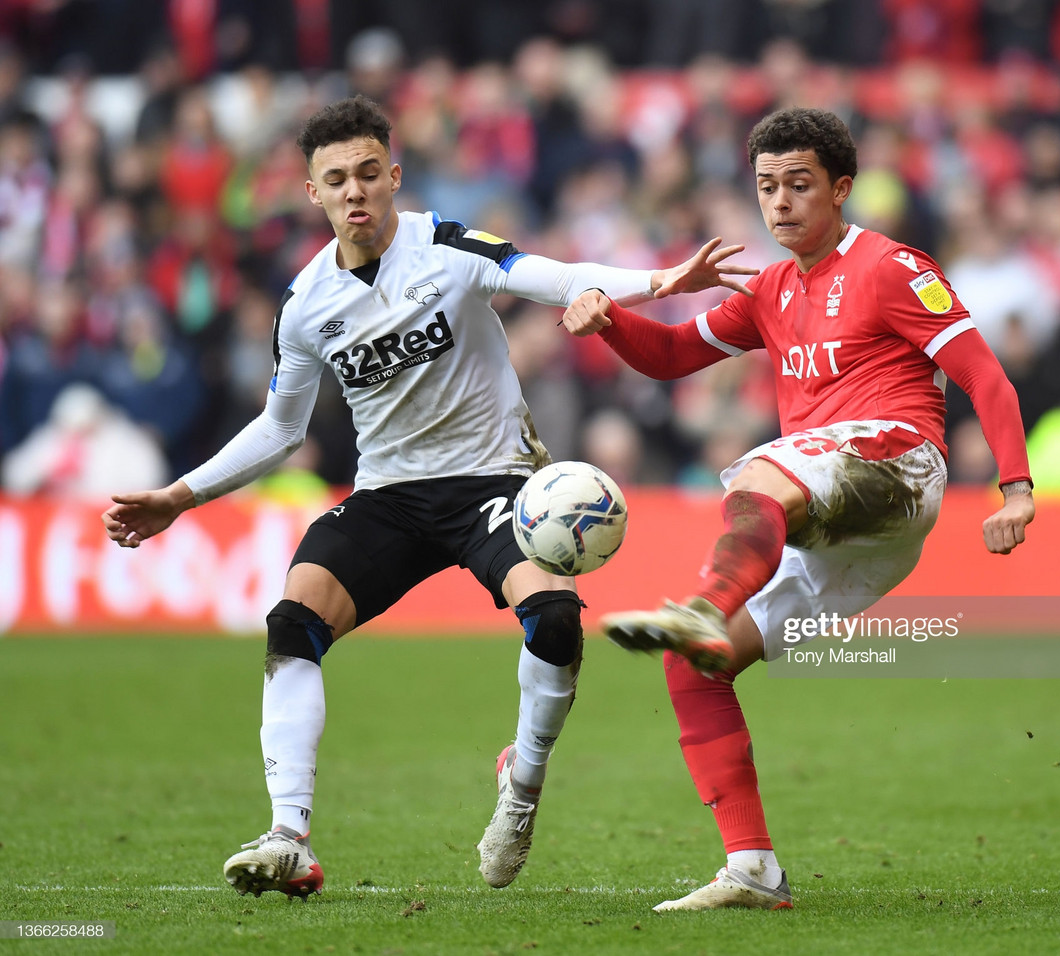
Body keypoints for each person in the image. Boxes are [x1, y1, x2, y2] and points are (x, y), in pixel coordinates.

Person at [100, 94, 753, 899]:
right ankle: (288, 834)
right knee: (293, 621)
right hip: (391, 495)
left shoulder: (444, 244)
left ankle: (523, 782)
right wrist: (178, 496)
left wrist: (658, 281)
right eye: (336, 179)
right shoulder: (306, 305)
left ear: (394, 175)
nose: (355, 191)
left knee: (553, 618)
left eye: (369, 173)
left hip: (496, 484)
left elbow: (549, 275)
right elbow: (279, 428)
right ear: (312, 193)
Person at [560, 107, 1035, 911]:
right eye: (766, 187)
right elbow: (673, 354)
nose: (780, 203)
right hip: (847, 537)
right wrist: (609, 322)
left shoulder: (893, 267)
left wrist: (1016, 489)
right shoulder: (770, 288)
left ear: (842, 189)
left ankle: (704, 604)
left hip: (897, 464)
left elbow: (985, 376)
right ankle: (751, 868)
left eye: (799, 185)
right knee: (695, 668)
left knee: (759, 471)